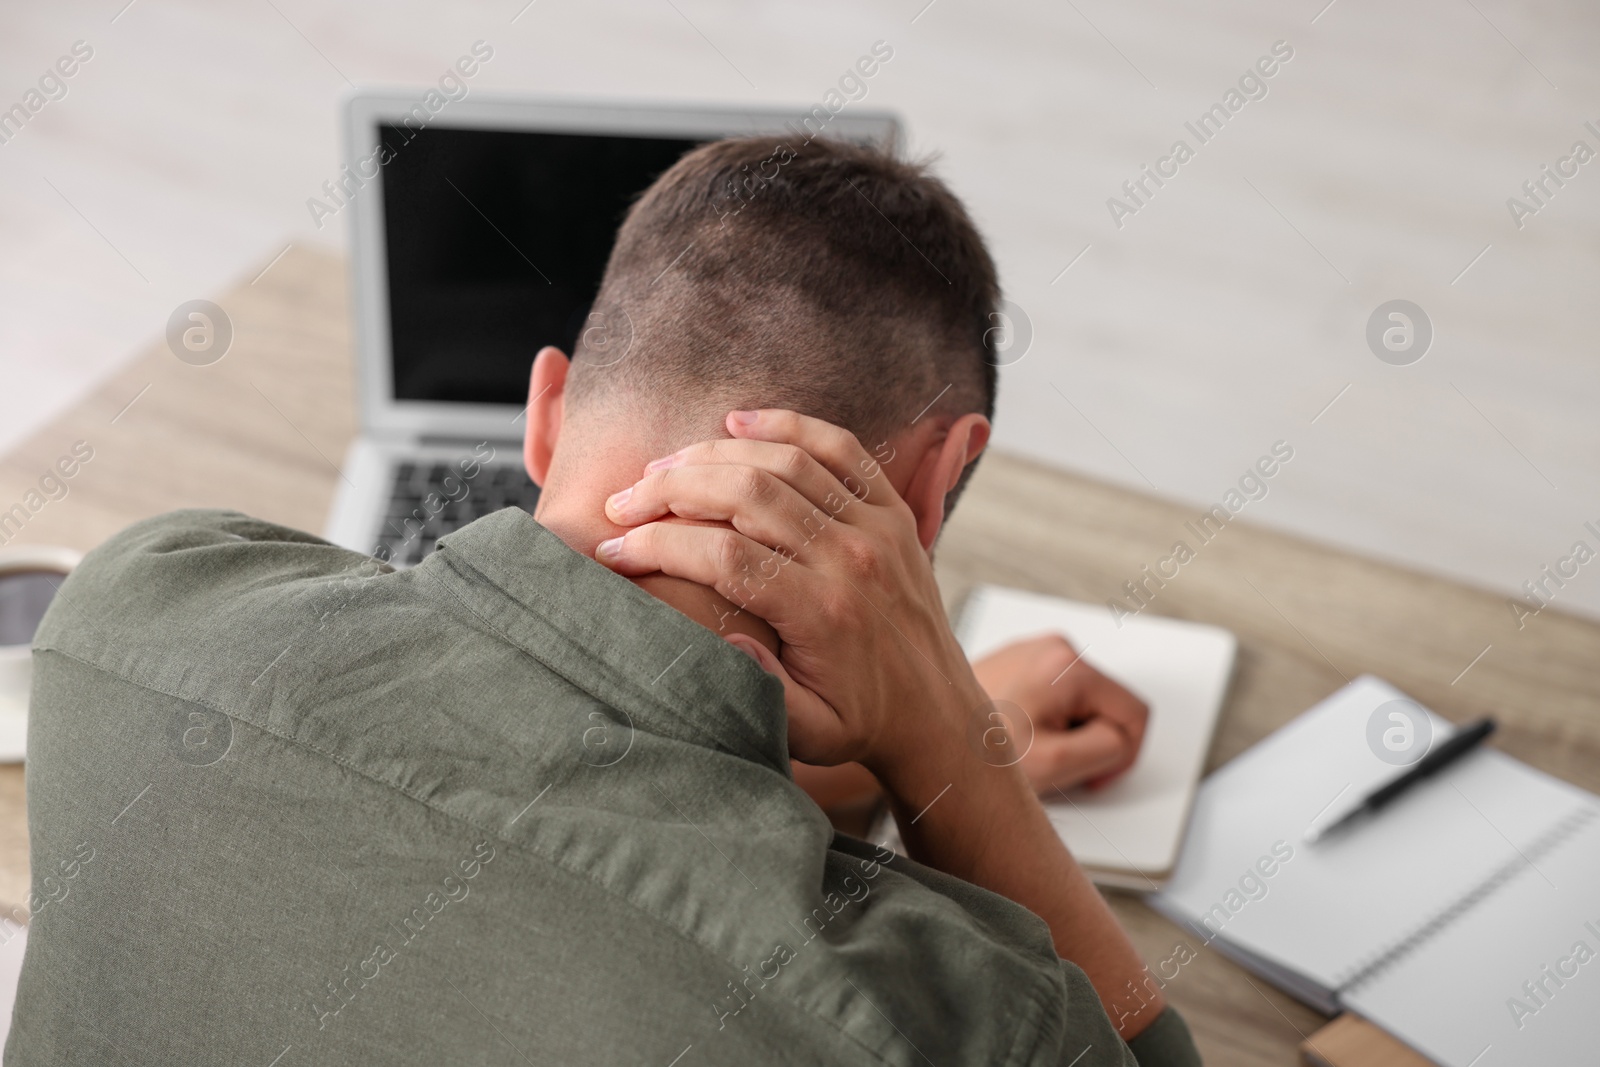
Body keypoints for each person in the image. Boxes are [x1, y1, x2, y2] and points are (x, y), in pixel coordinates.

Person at [9, 137, 1199, 1065]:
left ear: (545, 411)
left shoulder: (130, 611)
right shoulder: (960, 1020)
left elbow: (549, 803)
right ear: (930, 487)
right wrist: (949, 742)